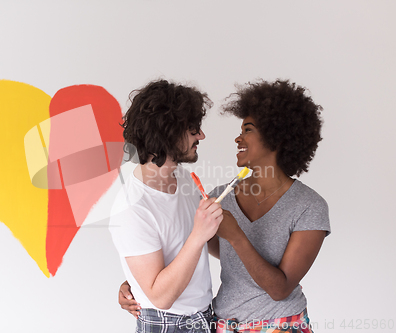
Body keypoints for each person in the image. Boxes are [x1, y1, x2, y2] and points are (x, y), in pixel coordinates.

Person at [119, 79, 331, 333]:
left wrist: (236, 235)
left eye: (247, 130)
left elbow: (279, 289)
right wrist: (137, 282)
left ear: (277, 137)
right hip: (220, 325)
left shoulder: (309, 206)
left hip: (280, 325)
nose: (237, 138)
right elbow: (186, 246)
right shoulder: (221, 196)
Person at [109, 79, 223, 333]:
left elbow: (185, 252)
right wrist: (199, 235)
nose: (201, 135)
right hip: (168, 326)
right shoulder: (131, 208)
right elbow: (160, 297)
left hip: (204, 317)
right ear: (168, 133)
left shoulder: (183, 178)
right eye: (193, 129)